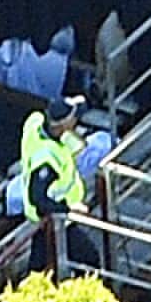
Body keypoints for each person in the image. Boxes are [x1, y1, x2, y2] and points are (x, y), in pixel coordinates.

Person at [19, 98, 101, 272]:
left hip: (52, 218)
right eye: (73, 118)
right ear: (62, 126)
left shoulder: (35, 121)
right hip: (53, 218)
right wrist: (69, 210)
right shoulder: (47, 159)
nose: (76, 120)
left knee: (40, 267)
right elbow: (38, 200)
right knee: (89, 259)